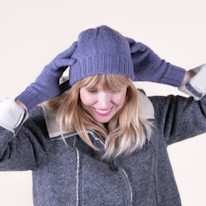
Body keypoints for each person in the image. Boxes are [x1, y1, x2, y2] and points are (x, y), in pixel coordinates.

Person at [0, 25, 205, 206]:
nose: (105, 103)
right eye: (92, 91)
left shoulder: (152, 116)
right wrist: (29, 98)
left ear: (128, 87)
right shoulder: (46, 131)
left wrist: (176, 75)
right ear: (76, 89)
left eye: (115, 89)